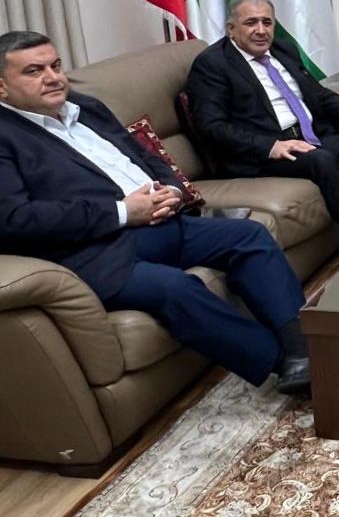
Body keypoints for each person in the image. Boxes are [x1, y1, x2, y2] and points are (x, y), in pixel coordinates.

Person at [0, 31, 310, 394]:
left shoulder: (86, 108)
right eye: (34, 71)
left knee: (250, 236)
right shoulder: (7, 136)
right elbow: (15, 220)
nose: (53, 77)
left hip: (165, 220)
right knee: (176, 288)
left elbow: (146, 157)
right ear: (2, 87)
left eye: (55, 66)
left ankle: (303, 349)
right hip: (101, 252)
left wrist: (174, 190)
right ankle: (284, 363)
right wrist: (122, 211)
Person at [187, 0, 339, 246]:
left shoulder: (283, 49)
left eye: (267, 22)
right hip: (264, 152)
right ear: (231, 29)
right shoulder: (212, 64)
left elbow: (319, 94)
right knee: (322, 161)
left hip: (309, 136)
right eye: (251, 23)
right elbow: (212, 127)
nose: (261, 30)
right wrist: (271, 146)